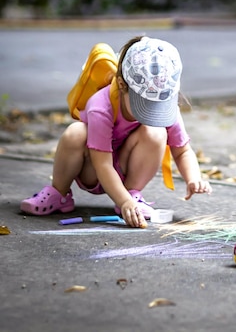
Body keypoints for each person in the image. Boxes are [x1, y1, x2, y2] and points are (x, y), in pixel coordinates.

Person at [21, 35, 212, 228]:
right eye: (145, 104)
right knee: (75, 133)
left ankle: (131, 195)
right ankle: (59, 194)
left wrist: (193, 178)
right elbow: (103, 165)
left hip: (126, 168)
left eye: (159, 104)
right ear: (122, 85)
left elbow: (183, 150)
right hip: (93, 169)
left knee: (156, 132)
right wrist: (123, 201)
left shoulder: (166, 104)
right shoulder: (100, 106)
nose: (153, 111)